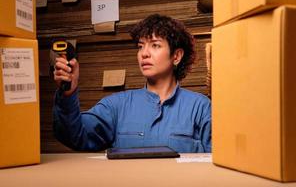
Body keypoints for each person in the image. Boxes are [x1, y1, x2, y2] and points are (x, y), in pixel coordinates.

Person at [53, 14, 211, 153]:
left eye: (155, 45)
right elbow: (74, 136)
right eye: (140, 46)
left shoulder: (200, 108)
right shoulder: (116, 106)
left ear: (176, 56)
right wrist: (68, 93)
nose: (144, 53)